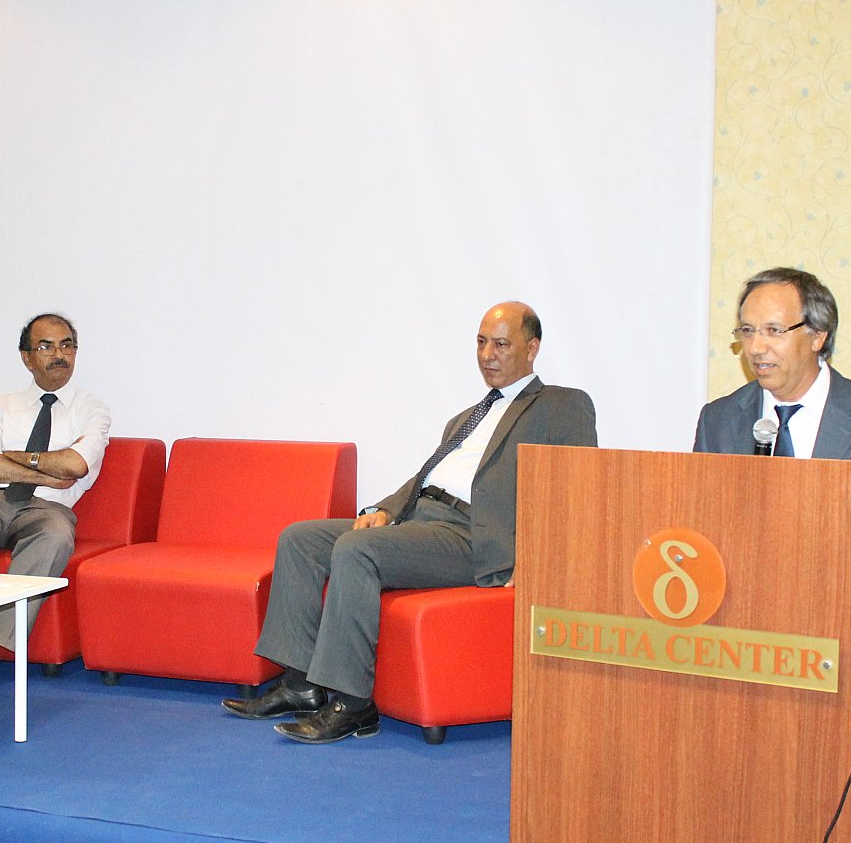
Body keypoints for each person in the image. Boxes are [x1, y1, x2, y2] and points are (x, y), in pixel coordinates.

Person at [222, 301, 598, 743]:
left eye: (501, 344)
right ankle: (300, 684)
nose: (487, 355)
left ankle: (353, 705)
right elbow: (428, 477)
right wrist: (384, 509)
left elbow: (578, 489)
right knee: (300, 539)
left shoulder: (561, 405)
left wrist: (535, 559)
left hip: (471, 537)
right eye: (481, 343)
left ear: (532, 349)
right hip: (420, 520)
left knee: (357, 550)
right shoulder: (465, 418)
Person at [0, 313, 111, 695]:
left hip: (48, 510)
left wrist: (13, 457)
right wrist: (46, 472)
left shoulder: (92, 409)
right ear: (26, 357)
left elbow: (75, 465)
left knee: (56, 538)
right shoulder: (0, 404)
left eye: (66, 345)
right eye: (45, 346)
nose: (58, 355)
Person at [692, 267, 851, 489]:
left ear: (817, 336)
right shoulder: (717, 421)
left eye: (774, 331)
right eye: (747, 331)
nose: (755, 348)